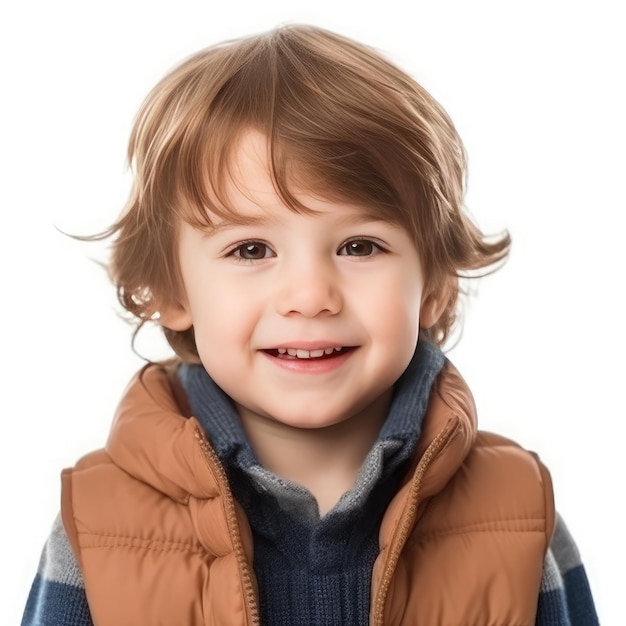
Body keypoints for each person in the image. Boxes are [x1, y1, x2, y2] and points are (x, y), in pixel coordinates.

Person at [22, 24, 598, 626]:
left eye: (359, 246)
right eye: (251, 250)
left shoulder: (518, 513)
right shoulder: (98, 524)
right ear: (169, 290)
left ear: (434, 287)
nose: (310, 296)